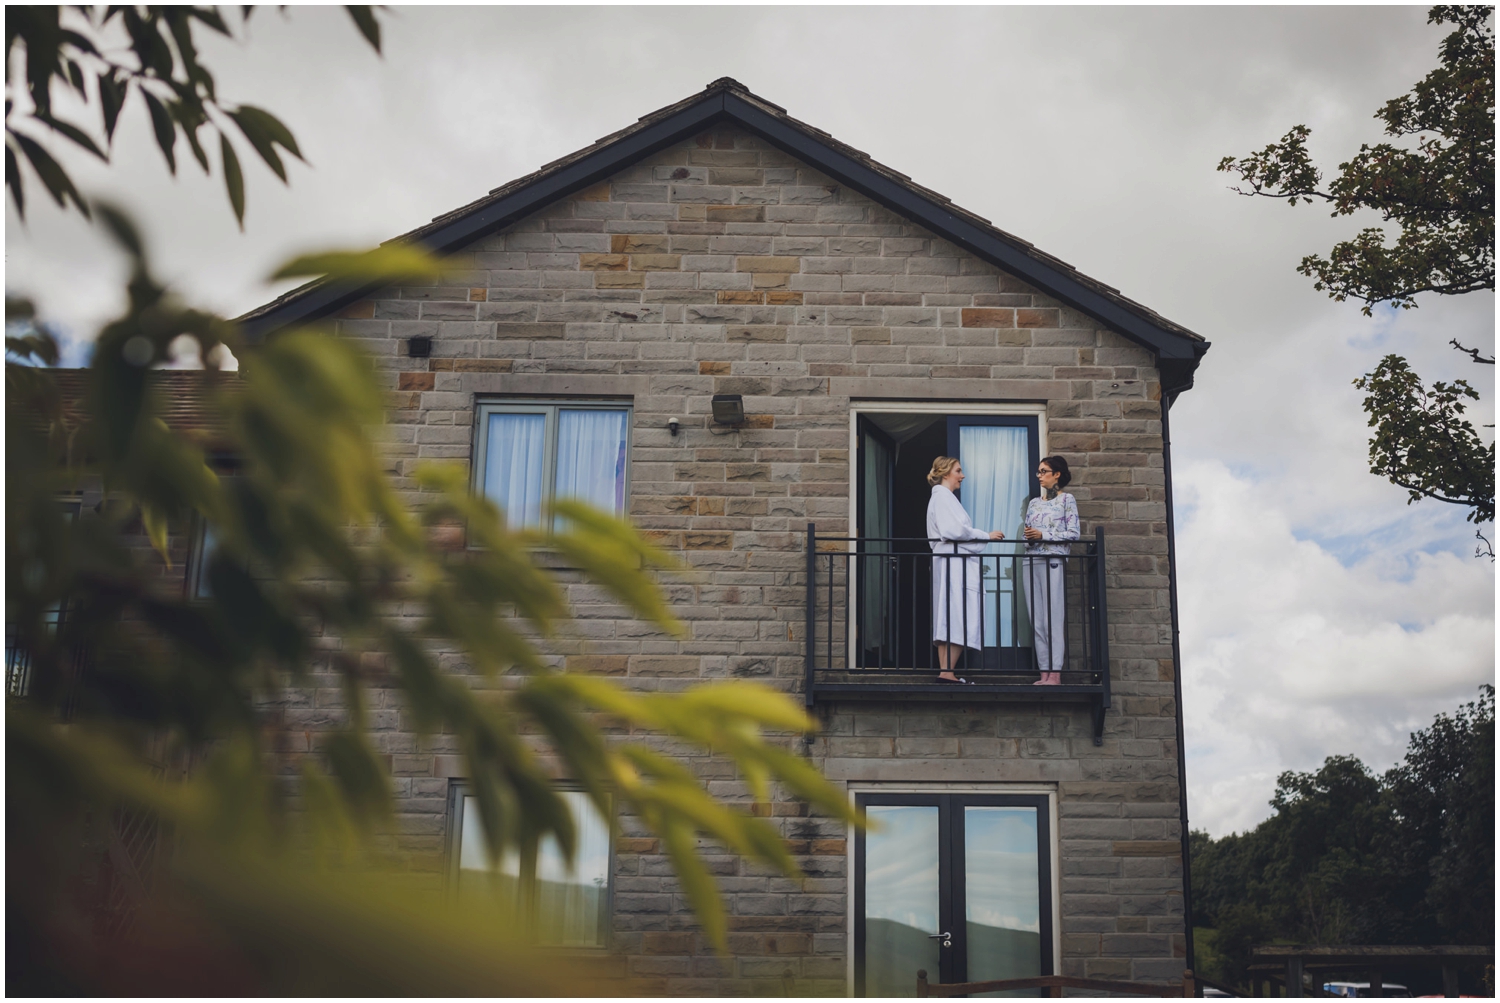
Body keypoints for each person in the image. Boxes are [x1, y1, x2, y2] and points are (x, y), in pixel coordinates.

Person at [926, 456, 1006, 683]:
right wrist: (985, 535)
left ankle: (946, 671)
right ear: (945, 473)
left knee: (949, 614)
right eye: (958, 470)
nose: (962, 475)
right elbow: (953, 530)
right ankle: (947, 671)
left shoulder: (943, 499)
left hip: (951, 561)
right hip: (954, 563)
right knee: (958, 613)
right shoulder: (943, 498)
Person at [1022, 455, 1079, 685]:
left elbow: (1074, 534)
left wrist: (1043, 535)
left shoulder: (1067, 500)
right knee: (1037, 620)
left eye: (1044, 471)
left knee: (1053, 618)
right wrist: (1031, 538)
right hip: (1031, 561)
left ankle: (1055, 673)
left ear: (1057, 474)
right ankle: (1043, 672)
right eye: (1038, 472)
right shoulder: (1034, 503)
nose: (1040, 476)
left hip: (1053, 561)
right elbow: (1028, 536)